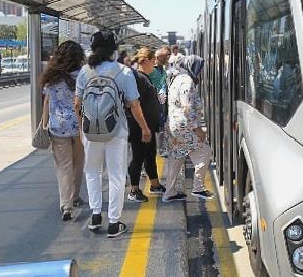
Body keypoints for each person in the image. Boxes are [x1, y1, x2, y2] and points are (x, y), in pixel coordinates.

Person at [74, 31, 151, 238]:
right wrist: (144, 127)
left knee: (92, 172)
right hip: (116, 130)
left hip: (90, 131)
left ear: (92, 48)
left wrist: (83, 129)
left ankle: (96, 215)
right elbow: (134, 105)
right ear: (113, 50)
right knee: (116, 176)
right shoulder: (123, 72)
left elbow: (77, 104)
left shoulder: (84, 72)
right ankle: (114, 223)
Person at [40, 41, 85, 221]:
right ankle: (74, 197)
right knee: (78, 164)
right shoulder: (83, 75)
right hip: (80, 126)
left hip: (58, 127)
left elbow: (47, 101)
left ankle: (66, 206)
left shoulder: (51, 76)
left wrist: (44, 124)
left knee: (63, 167)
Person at [163, 55, 214, 202]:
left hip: (174, 125)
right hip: (185, 126)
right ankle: (198, 188)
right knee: (205, 152)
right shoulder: (187, 81)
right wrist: (197, 129)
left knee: (176, 158)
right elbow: (187, 107)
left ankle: (169, 193)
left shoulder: (176, 78)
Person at [126, 48, 166, 203]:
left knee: (150, 155)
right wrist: (144, 128)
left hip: (147, 126)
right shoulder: (139, 78)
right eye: (153, 61)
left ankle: (155, 184)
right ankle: (134, 189)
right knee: (138, 157)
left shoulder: (144, 77)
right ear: (147, 61)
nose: (155, 65)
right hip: (140, 127)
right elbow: (136, 104)